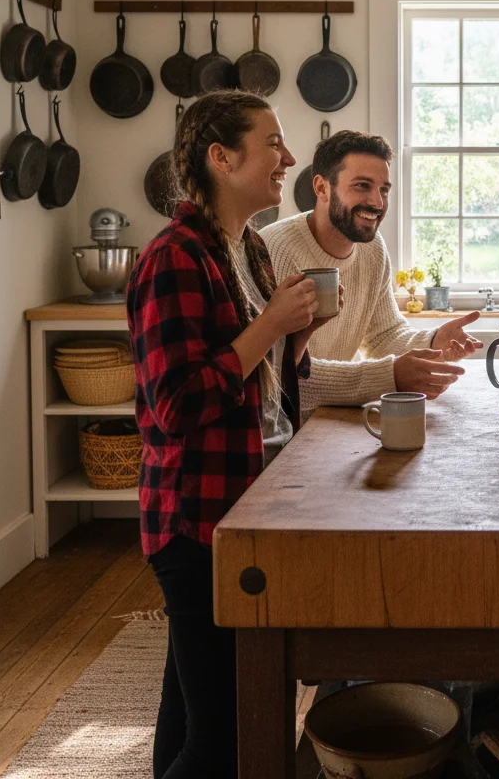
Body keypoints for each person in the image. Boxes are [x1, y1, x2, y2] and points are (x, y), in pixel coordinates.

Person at [126, 91, 339, 779]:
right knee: (224, 742)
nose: (290, 158)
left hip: (247, 505)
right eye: (273, 143)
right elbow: (178, 408)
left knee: (187, 714)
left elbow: (262, 389)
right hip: (199, 520)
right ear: (221, 157)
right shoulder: (173, 258)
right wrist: (269, 328)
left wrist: (293, 340)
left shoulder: (250, 249)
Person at [261, 130, 483, 412]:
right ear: (322, 188)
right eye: (362, 186)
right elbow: (275, 376)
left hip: (337, 421)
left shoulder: (372, 248)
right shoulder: (273, 250)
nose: (377, 203)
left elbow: (383, 337)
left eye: (384, 190)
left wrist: (433, 341)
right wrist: (388, 377)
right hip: (286, 436)